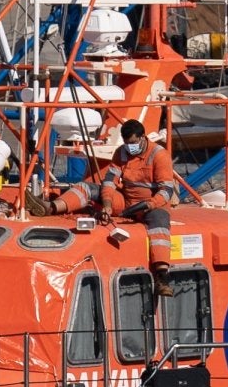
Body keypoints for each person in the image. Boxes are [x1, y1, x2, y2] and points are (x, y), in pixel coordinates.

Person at [43, 119, 177, 288]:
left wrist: (151, 204)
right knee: (86, 187)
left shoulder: (159, 155)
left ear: (143, 137)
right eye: (127, 144)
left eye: (133, 143)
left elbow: (166, 190)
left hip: (152, 205)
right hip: (126, 202)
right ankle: (51, 207)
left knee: (159, 223)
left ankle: (162, 275)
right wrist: (107, 204)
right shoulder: (121, 152)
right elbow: (109, 182)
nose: (130, 147)